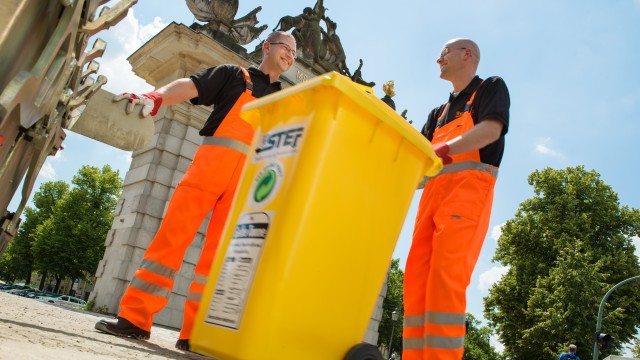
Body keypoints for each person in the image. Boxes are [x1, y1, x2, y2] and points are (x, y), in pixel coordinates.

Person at [94, 31, 297, 351]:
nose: (292, 56)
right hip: (208, 170)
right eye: (288, 48)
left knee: (221, 262)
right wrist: (155, 98)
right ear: (267, 47)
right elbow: (190, 86)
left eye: (295, 54)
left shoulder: (286, 104)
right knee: (170, 241)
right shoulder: (234, 75)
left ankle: (196, 334)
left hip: (248, 187)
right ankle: (135, 318)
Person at [402, 38, 510, 360]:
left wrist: (444, 149)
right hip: (430, 207)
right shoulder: (438, 113)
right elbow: (416, 165)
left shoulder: (490, 88)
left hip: (464, 203)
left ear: (467, 54)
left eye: (444, 52)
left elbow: (491, 130)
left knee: (444, 288)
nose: (438, 59)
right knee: (416, 286)